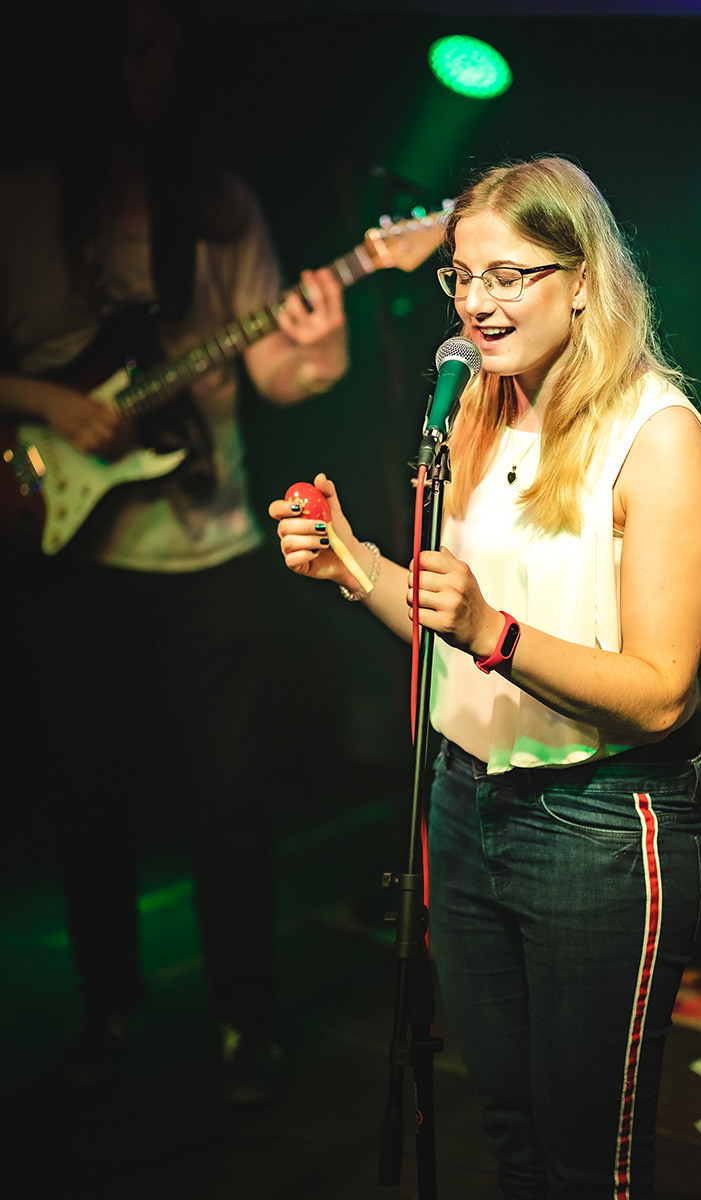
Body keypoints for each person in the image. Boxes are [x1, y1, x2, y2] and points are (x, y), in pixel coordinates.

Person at [268, 157, 701, 1198]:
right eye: (463, 276)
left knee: (588, 1161)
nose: (476, 302)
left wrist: (492, 631)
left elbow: (660, 691)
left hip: (597, 823)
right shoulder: (473, 404)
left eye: (508, 276)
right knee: (510, 1135)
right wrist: (354, 563)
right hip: (464, 800)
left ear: (581, 280)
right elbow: (449, 622)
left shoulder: (656, 438)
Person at [0, 0, 347, 1103]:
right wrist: (49, 402)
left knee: (228, 803)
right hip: (69, 550)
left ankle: (247, 1025)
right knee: (86, 801)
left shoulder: (218, 203)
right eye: (134, 43)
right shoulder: (22, 202)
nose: (153, 68)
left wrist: (318, 345)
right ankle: (107, 1011)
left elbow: (275, 373)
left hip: (209, 554)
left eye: (169, 48)